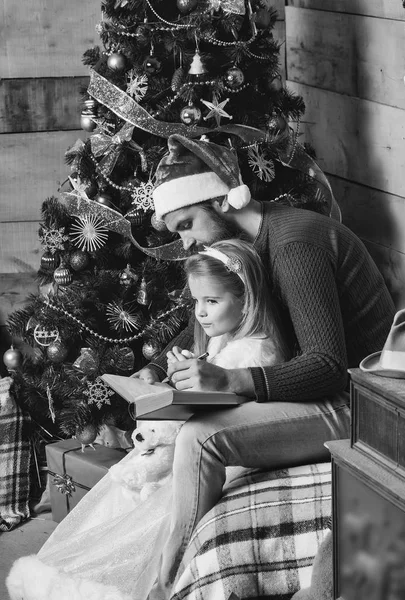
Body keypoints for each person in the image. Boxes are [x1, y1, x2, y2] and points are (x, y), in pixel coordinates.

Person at [129, 133, 396, 600]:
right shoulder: (252, 245)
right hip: (331, 395)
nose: (186, 241)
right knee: (187, 419)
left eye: (187, 224)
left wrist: (232, 379)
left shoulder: (295, 243)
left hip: (365, 407)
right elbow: (239, 305)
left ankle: (166, 579)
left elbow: (329, 366)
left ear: (220, 200)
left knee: (201, 435)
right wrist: (156, 370)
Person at [6, 239, 288, 600]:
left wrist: (178, 390)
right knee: (118, 502)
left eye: (212, 301)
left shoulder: (251, 350)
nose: (200, 313)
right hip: (193, 436)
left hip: (213, 450)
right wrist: (176, 375)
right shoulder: (224, 339)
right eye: (197, 301)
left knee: (140, 507)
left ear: (247, 300)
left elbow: (219, 409)